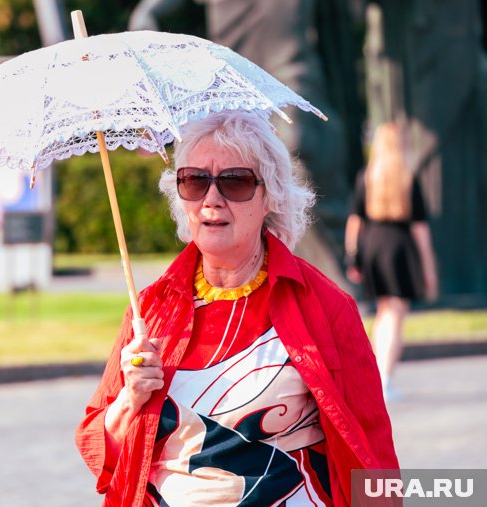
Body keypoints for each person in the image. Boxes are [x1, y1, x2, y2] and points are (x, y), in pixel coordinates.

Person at [76, 110, 399, 507]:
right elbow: (98, 449)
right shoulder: (149, 310)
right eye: (194, 181)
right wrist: (130, 399)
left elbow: (373, 453)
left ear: (271, 197)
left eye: (236, 182)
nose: (212, 199)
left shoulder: (325, 306)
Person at [344, 122, 438, 401]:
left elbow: (355, 221)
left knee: (384, 311)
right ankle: (384, 378)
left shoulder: (366, 177)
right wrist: (429, 269)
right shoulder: (408, 179)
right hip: (399, 248)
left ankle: (376, 377)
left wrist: (353, 257)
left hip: (372, 246)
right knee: (395, 315)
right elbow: (420, 230)